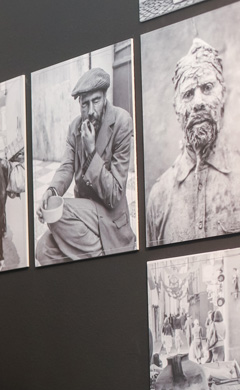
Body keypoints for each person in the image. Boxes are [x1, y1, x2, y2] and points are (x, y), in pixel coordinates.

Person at [35, 67, 136, 264]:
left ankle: (101, 257)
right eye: (84, 104)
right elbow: (66, 166)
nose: (90, 111)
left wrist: (91, 152)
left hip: (109, 214)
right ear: (79, 104)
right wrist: (52, 190)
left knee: (61, 213)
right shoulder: (74, 128)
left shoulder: (122, 122)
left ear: (104, 97)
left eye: (95, 101)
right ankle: (97, 254)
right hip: (85, 215)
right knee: (42, 249)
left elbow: (115, 194)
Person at [147, 38, 240, 246]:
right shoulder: (159, 197)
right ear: (177, 108)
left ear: (222, 95)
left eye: (207, 88)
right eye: (188, 94)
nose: (198, 102)